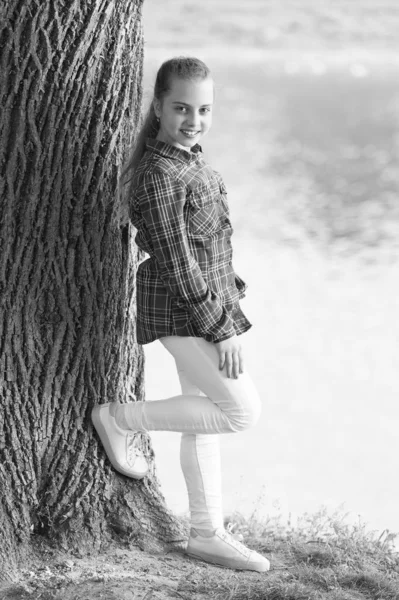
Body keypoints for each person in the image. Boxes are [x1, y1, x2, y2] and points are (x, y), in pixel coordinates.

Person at [92, 57, 270, 573]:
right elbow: (177, 264)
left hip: (207, 310)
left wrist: (232, 313)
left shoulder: (193, 163)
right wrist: (225, 329)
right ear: (158, 106)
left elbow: (217, 257)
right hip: (180, 313)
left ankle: (205, 533)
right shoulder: (161, 174)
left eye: (204, 109)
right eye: (181, 108)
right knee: (241, 411)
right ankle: (118, 417)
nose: (193, 119)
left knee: (206, 423)